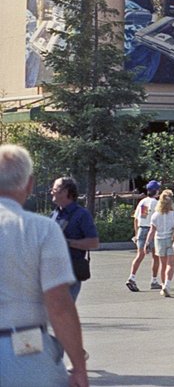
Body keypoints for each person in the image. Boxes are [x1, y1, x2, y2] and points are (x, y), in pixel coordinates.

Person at [0, 145, 89, 387]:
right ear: (29, 184)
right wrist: (78, 366)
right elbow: (59, 304)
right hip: (24, 347)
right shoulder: (41, 229)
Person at [49, 176, 100, 303]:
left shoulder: (82, 215)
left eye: (54, 189)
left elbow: (94, 243)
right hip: (51, 272)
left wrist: (66, 243)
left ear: (65, 191)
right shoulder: (54, 214)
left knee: (62, 313)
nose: (51, 192)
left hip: (69, 273)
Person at [147, 189, 174, 297]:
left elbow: (152, 231)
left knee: (162, 265)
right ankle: (167, 284)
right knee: (170, 265)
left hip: (159, 240)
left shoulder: (156, 215)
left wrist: (147, 243)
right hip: (172, 239)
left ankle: (163, 285)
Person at [128, 179, 162, 292]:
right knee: (155, 256)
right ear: (156, 191)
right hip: (152, 230)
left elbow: (137, 219)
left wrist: (137, 233)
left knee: (140, 255)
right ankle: (154, 280)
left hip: (142, 229)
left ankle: (132, 277)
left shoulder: (142, 202)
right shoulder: (157, 203)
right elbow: (158, 220)